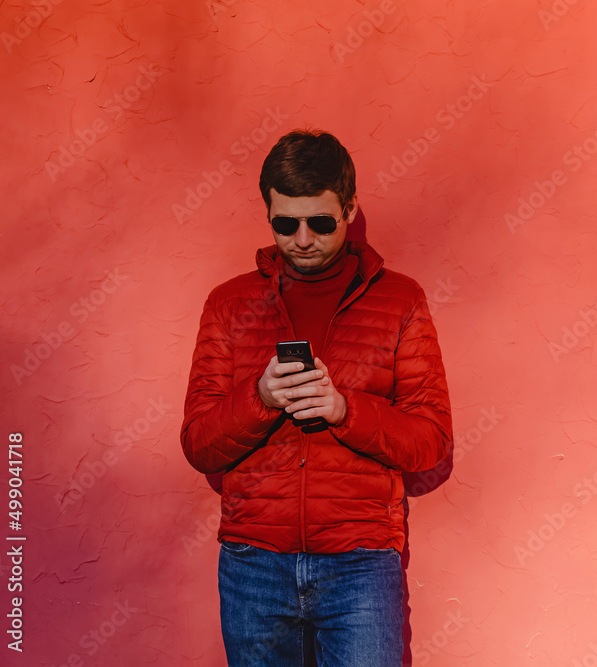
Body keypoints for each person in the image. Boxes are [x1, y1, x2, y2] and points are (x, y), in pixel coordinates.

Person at [180, 129, 452, 666]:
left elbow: (430, 441)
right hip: (253, 561)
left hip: (360, 564)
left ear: (349, 209)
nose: (302, 239)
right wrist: (259, 398)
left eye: (321, 222)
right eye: (285, 224)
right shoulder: (229, 304)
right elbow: (199, 446)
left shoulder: (400, 300)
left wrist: (344, 409)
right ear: (269, 215)